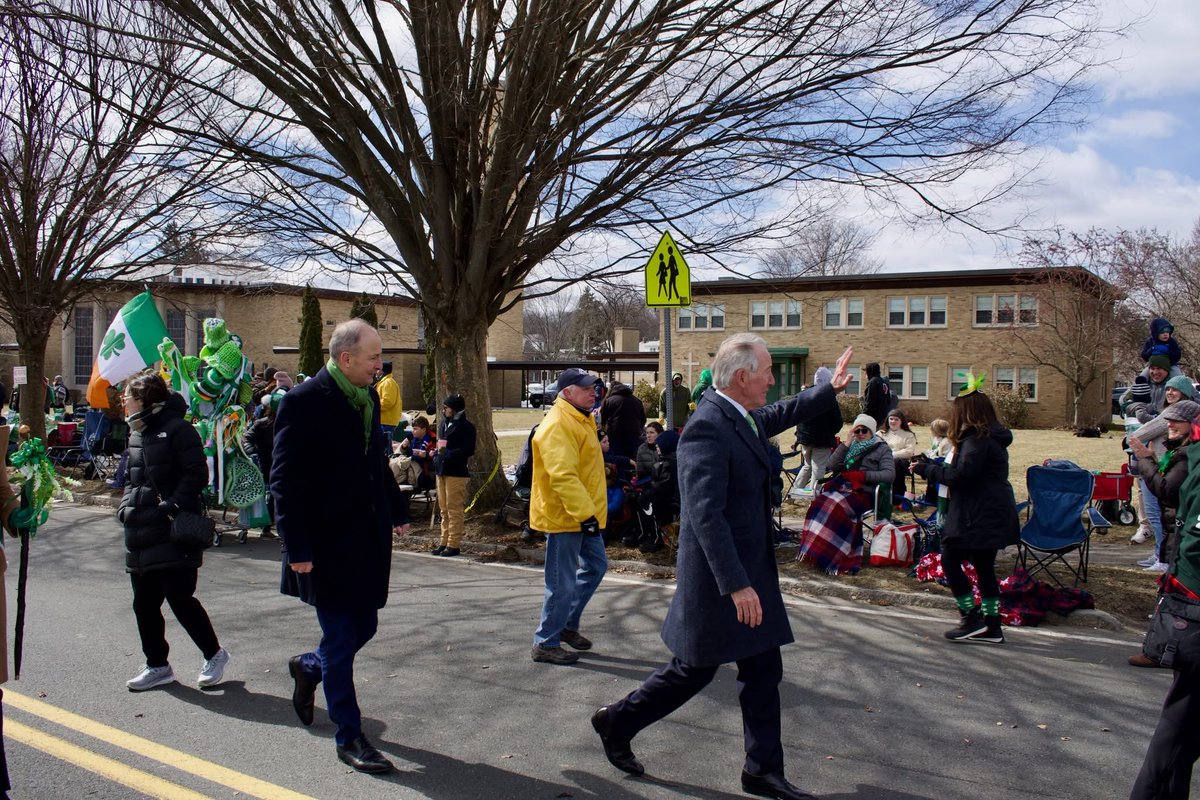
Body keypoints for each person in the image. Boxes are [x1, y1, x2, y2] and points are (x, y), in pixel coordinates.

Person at [591, 334, 853, 800]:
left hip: (748, 573)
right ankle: (617, 721)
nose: (773, 380)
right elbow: (704, 516)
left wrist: (826, 390)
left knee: (763, 670)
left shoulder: (738, 413)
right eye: (768, 371)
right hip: (721, 581)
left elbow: (774, 415)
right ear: (741, 377)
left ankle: (761, 771)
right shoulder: (707, 428)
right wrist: (737, 586)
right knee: (692, 671)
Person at [271, 318, 411, 775]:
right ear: (346, 358)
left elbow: (375, 462)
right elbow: (285, 482)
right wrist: (297, 548)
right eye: (373, 357)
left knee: (363, 628)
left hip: (366, 538)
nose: (379, 365)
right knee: (341, 636)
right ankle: (349, 736)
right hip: (324, 544)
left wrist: (398, 509)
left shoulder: (366, 395)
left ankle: (310, 667)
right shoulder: (303, 403)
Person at [117, 372, 230, 691]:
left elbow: (197, 474)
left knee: (180, 598)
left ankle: (214, 654)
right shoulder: (136, 433)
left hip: (171, 530)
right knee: (144, 604)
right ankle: (157, 665)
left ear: (144, 399)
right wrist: (126, 507)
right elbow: (130, 478)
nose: (123, 402)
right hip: (139, 531)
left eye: (127, 396)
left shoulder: (179, 430)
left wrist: (174, 505)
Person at [910, 378, 1019, 644]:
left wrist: (928, 469)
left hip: (977, 514)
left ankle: (971, 618)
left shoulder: (977, 441)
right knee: (984, 567)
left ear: (967, 411)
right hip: (988, 511)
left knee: (950, 560)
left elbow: (961, 476)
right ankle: (991, 626)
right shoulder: (988, 437)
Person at [1129, 414, 1200, 798]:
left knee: (1183, 734)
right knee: (1179, 727)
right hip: (1192, 603)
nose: (1170, 426)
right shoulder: (1193, 459)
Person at [530, 367, 609, 666]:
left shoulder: (580, 417)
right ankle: (545, 642)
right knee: (561, 582)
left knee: (597, 567)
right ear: (567, 392)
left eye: (593, 387)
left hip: (581, 514)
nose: (593, 392)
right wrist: (586, 514)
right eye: (586, 387)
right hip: (566, 516)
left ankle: (566, 624)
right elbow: (563, 476)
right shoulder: (558, 424)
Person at [1128, 400, 1200, 669]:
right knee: (1168, 593)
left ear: (1192, 425)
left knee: (1174, 595)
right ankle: (1158, 648)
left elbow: (1167, 489)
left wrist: (1146, 460)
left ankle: (1161, 649)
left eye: (1176, 421)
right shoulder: (1180, 451)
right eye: (1168, 419)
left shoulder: (1188, 455)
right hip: (1175, 531)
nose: (1169, 424)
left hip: (1183, 533)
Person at [826, 413, 896, 519]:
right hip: (843, 486)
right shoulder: (850, 445)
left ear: (872, 432)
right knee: (820, 502)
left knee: (839, 507)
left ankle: (844, 535)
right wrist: (846, 443)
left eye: (864, 430)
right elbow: (831, 465)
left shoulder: (882, 448)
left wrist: (863, 475)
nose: (861, 434)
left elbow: (889, 474)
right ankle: (820, 535)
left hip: (865, 490)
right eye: (857, 431)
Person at [432, 394, 476, 557]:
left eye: (447, 407)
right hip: (441, 470)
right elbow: (442, 443)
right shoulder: (443, 423)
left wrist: (452, 454)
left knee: (454, 509)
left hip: (456, 472)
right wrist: (438, 454)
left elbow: (469, 449)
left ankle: (453, 544)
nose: (444, 410)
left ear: (455, 408)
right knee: (443, 510)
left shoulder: (466, 427)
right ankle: (443, 541)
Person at [790, 366, 842, 497]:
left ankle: (794, 494)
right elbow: (838, 422)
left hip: (805, 439)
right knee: (818, 468)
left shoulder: (805, 394)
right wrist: (830, 432)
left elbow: (797, 417)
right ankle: (814, 497)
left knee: (807, 466)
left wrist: (799, 435)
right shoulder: (828, 398)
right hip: (821, 440)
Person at [600, 381, 646, 461]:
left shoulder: (610, 401)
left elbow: (602, 419)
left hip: (616, 435)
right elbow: (643, 419)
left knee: (618, 458)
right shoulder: (637, 401)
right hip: (634, 435)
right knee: (632, 458)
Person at [881, 409, 919, 498]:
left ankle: (897, 497)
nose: (893, 421)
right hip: (882, 460)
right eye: (891, 419)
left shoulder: (908, 435)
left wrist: (892, 455)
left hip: (901, 462)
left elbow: (909, 452)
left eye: (896, 419)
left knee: (895, 463)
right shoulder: (881, 434)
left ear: (901, 421)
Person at [376, 362, 401, 453]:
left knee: (385, 449)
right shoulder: (385, 382)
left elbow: (388, 402)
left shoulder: (388, 383)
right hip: (385, 420)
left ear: (383, 371)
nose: (376, 372)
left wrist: (374, 405)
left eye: (378, 369)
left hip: (386, 421)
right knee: (385, 447)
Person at [861, 362, 893, 430]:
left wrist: (863, 416)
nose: (865, 374)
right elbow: (888, 400)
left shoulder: (873, 382)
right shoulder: (884, 382)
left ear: (870, 371)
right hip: (884, 416)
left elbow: (869, 402)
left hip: (874, 417)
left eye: (866, 372)